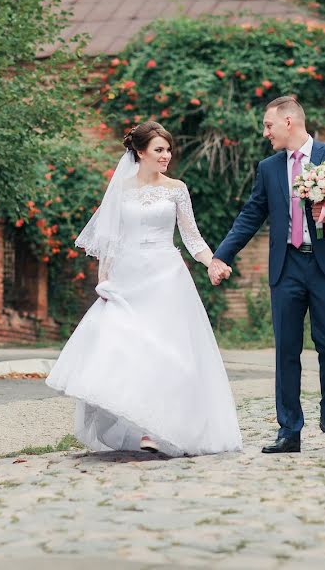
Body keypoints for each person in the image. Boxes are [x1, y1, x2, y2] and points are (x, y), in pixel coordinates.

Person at [45, 121, 243, 457]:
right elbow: (109, 240)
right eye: (159, 150)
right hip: (128, 277)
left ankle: (157, 430)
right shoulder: (120, 190)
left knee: (168, 353)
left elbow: (192, 238)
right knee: (128, 348)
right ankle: (135, 419)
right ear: (140, 152)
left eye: (168, 149)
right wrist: (102, 281)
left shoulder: (177, 189)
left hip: (166, 278)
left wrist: (212, 261)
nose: (166, 155)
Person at [209, 96, 325, 454]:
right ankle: (289, 431)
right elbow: (251, 215)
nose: (265, 133)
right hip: (287, 266)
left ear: (289, 122)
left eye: (269, 125)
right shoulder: (268, 168)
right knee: (286, 351)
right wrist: (221, 256)